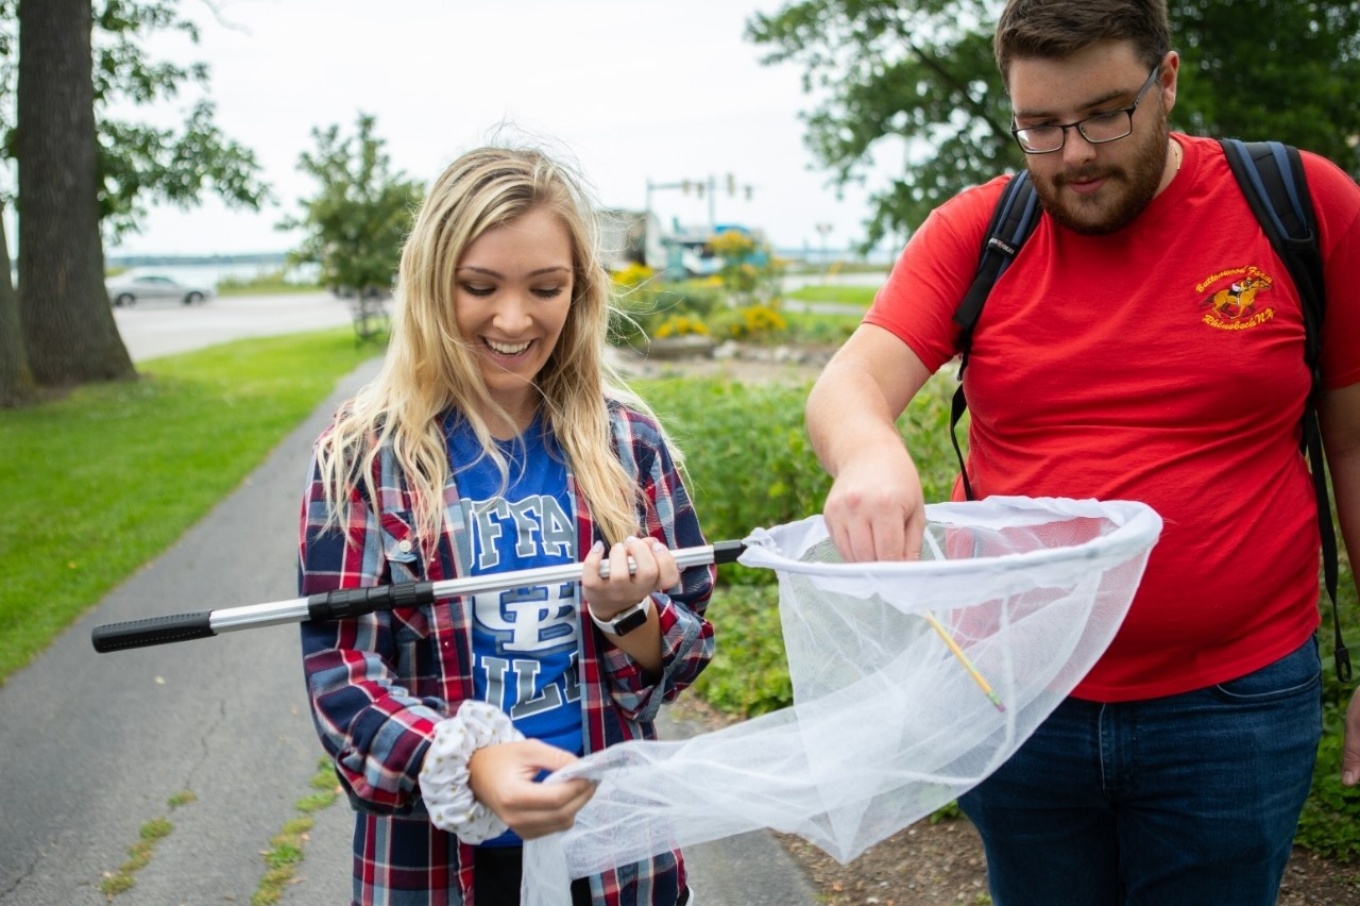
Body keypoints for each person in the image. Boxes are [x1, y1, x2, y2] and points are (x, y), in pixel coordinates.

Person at [804, 1, 1360, 903]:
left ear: (1167, 80)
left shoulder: (1302, 204)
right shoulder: (978, 231)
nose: (1074, 154)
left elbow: (1354, 442)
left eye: (1106, 114)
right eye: (1039, 127)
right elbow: (847, 388)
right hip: (1016, 697)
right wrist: (870, 457)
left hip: (1233, 706)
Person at [298, 145, 714, 906]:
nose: (515, 319)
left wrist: (629, 616)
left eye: (546, 287)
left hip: (617, 854)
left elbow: (677, 659)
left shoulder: (632, 445)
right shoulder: (361, 458)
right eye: (479, 287)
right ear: (429, 286)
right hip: (436, 866)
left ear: (579, 291)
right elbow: (342, 676)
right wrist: (468, 763)